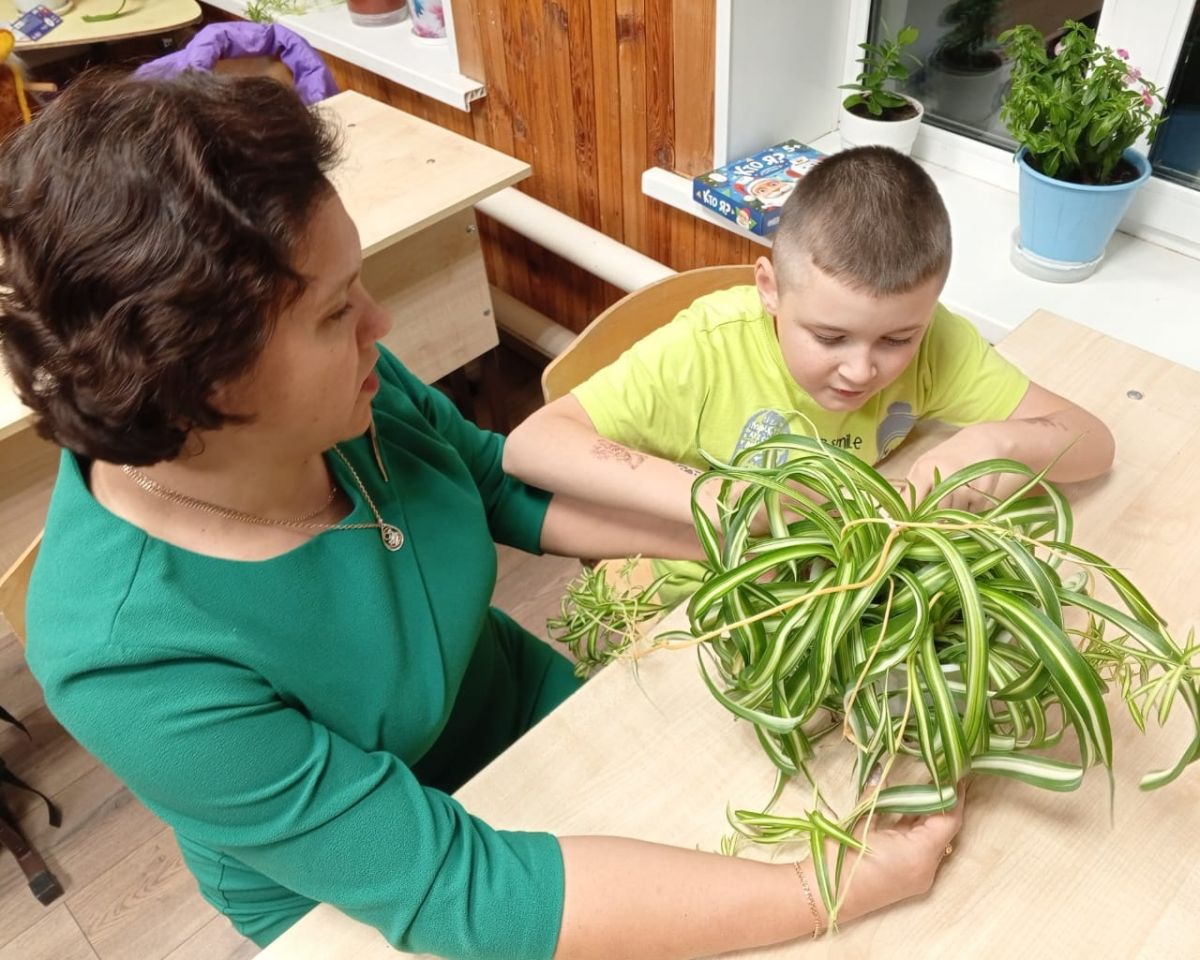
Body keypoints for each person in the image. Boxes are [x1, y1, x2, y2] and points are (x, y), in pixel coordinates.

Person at [0, 72, 963, 959]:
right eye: (334, 313)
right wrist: (839, 884)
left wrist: (754, 540)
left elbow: (496, 489)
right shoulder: (124, 662)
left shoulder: (347, 393)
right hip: (354, 892)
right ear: (205, 380)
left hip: (514, 712)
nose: (379, 324)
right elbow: (463, 890)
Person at [503, 146, 1115, 601]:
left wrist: (997, 443)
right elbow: (532, 445)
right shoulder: (705, 349)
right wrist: (721, 499)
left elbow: (1095, 442)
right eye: (828, 337)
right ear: (769, 288)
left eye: (898, 339)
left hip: (827, 582)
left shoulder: (939, 342)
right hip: (695, 591)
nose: (861, 370)